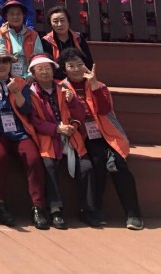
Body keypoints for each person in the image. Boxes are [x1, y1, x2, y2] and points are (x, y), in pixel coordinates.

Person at [60, 49, 144, 230]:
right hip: (82, 136)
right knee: (97, 162)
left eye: (80, 64)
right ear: (64, 69)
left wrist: (94, 86)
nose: (76, 69)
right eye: (71, 66)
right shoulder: (61, 89)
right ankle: (93, 210)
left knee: (120, 166)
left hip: (107, 134)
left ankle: (133, 213)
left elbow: (105, 109)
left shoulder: (100, 85)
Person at [0, 45, 49, 229]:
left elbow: (26, 109)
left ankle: (38, 207)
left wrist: (16, 92)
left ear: (10, 63)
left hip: (19, 131)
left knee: (33, 160)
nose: (1, 65)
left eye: (5, 61)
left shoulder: (20, 82)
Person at [27, 53, 90, 230]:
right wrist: (55, 129)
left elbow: (80, 115)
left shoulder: (64, 88)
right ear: (33, 73)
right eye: (40, 69)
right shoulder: (31, 93)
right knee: (49, 165)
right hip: (48, 137)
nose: (44, 72)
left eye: (47, 68)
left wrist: (72, 104)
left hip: (70, 135)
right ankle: (55, 209)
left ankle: (88, 209)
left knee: (86, 166)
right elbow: (34, 121)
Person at [0, 0, 44, 79]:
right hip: (6, 77)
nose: (15, 17)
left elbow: (39, 57)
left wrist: (31, 75)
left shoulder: (33, 34)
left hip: (29, 77)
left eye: (19, 14)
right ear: (6, 17)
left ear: (23, 16)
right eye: (12, 14)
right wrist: (2, 37)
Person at [42, 5, 94, 79]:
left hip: (81, 77)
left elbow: (88, 62)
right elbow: (49, 67)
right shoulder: (46, 41)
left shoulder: (79, 38)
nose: (59, 24)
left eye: (62, 20)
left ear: (68, 22)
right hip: (58, 80)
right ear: (50, 24)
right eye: (55, 21)